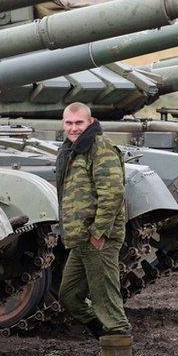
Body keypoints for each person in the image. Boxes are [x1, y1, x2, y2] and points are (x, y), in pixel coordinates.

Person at [55, 102, 130, 338]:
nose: (73, 128)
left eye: (79, 123)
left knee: (107, 302)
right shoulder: (71, 148)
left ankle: (118, 352)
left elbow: (112, 194)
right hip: (81, 238)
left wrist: (99, 233)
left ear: (90, 121)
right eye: (69, 123)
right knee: (69, 296)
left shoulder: (100, 147)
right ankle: (102, 336)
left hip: (98, 238)